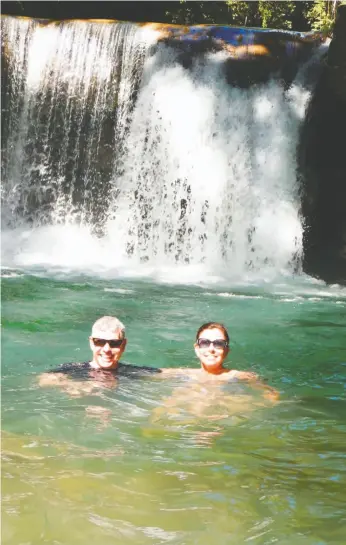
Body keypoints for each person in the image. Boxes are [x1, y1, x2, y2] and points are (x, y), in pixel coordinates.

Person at [38, 315, 160, 395]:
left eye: (114, 343)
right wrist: (73, 385)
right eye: (100, 342)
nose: (106, 349)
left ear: (123, 345)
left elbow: (176, 374)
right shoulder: (75, 369)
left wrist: (174, 399)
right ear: (91, 343)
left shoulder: (131, 372)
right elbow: (44, 380)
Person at [160, 322, 279, 398]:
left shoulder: (240, 376)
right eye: (205, 343)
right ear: (197, 349)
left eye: (218, 344)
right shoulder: (182, 373)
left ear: (226, 351)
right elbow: (146, 372)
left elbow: (272, 395)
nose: (211, 349)